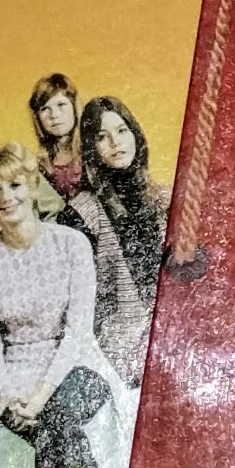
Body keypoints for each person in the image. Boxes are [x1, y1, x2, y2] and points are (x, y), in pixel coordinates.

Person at [0, 143, 131, 468]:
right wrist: (10, 398)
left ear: (33, 187)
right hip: (15, 379)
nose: (6, 197)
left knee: (56, 421)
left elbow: (78, 333)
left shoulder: (71, 244)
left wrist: (39, 398)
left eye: (15, 185)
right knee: (53, 433)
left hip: (77, 367)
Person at [78, 93, 168, 378]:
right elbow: (87, 306)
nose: (115, 142)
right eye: (102, 137)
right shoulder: (83, 213)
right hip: (119, 348)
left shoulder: (164, 198)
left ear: (135, 135)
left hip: (167, 335)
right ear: (92, 148)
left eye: (121, 131)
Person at [29, 70, 88, 201]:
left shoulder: (91, 151)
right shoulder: (39, 164)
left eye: (61, 105)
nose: (54, 115)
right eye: (45, 109)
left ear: (74, 107)